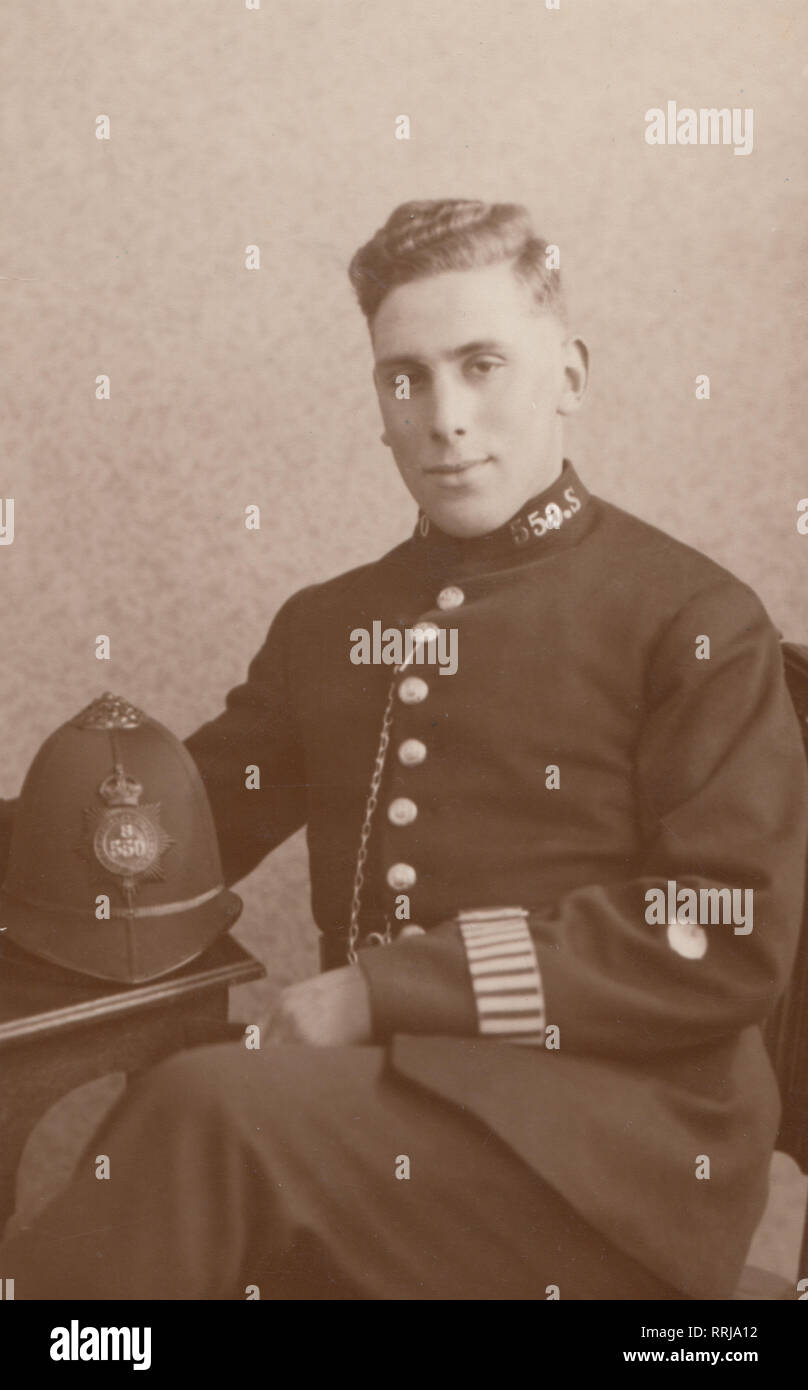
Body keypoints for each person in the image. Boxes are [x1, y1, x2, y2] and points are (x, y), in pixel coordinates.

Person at [0, 199, 806, 1301]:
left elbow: (726, 931)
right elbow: (165, 838)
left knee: (205, 1115)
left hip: (617, 1161)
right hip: (385, 1116)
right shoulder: (330, 624)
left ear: (568, 373)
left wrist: (384, 989)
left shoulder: (693, 617)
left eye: (482, 365)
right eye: (404, 377)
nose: (443, 415)